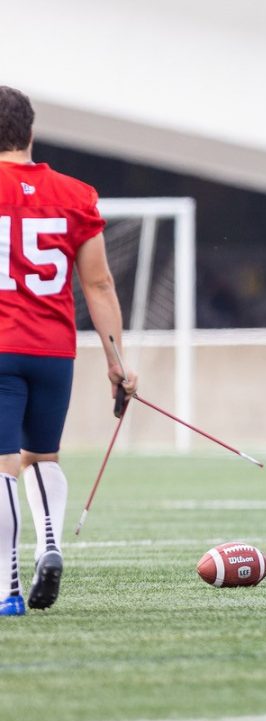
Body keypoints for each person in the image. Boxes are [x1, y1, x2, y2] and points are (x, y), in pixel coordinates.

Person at [0, 86, 138, 616]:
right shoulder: (77, 195)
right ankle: (50, 544)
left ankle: (8, 587)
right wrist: (117, 364)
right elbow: (99, 286)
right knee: (41, 456)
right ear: (31, 132)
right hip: (54, 352)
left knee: (2, 464)